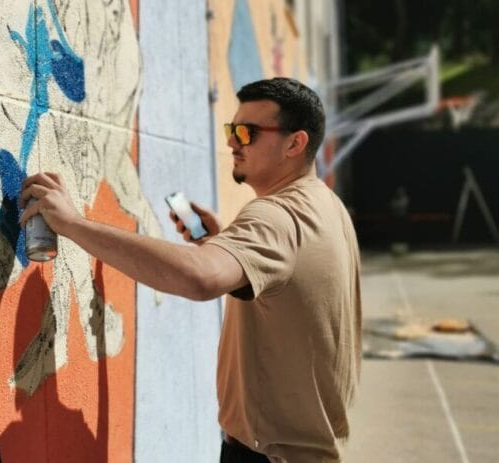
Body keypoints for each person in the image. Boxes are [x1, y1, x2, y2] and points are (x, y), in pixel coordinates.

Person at [19, 77, 362, 463]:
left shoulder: (277, 216)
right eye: (231, 129)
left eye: (247, 132)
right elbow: (291, 289)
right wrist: (223, 243)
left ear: (294, 144)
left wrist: (73, 225)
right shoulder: (327, 206)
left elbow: (198, 279)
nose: (232, 142)